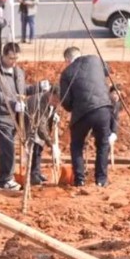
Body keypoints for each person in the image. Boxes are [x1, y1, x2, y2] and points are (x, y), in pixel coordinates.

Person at [0, 42, 36, 191]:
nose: (14, 61)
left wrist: (38, 88)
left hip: (15, 116)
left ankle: (3, 177)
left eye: (16, 58)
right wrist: (13, 104)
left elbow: (22, 90)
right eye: (11, 58)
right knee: (8, 146)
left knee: (6, 148)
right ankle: (5, 179)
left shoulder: (18, 72)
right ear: (3, 55)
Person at [59, 46, 113, 187]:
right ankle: (101, 180)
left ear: (67, 60)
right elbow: (108, 71)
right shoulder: (95, 60)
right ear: (79, 54)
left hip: (82, 113)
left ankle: (79, 180)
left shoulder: (66, 73)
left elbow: (66, 101)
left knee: (77, 145)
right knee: (103, 144)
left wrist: (73, 107)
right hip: (103, 108)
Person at [24, 83, 58, 185]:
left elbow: (47, 119)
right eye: (55, 101)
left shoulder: (51, 102)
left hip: (39, 127)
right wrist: (50, 143)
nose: (56, 104)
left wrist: (54, 116)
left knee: (39, 149)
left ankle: (37, 172)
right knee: (34, 149)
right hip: (30, 125)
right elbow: (40, 126)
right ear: (50, 94)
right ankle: (32, 175)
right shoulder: (39, 102)